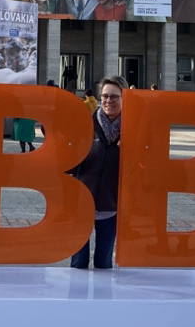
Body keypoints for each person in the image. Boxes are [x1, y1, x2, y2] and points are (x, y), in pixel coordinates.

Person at [70, 75, 126, 269]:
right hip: (82, 204)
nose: (108, 101)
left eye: (114, 97)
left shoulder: (133, 129)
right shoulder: (86, 124)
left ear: (125, 98)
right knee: (78, 263)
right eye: (105, 96)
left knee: (104, 262)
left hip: (112, 206)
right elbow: (69, 161)